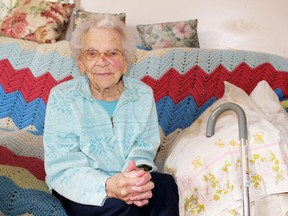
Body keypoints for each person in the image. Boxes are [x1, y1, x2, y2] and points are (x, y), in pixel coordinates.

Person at [43, 13, 179, 216]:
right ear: (80, 63)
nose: (102, 61)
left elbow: (144, 145)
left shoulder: (142, 94)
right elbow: (64, 164)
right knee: (125, 207)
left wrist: (135, 175)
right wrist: (108, 184)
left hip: (127, 177)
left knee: (166, 186)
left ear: (126, 61)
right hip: (81, 185)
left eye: (112, 53)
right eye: (91, 53)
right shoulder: (63, 97)